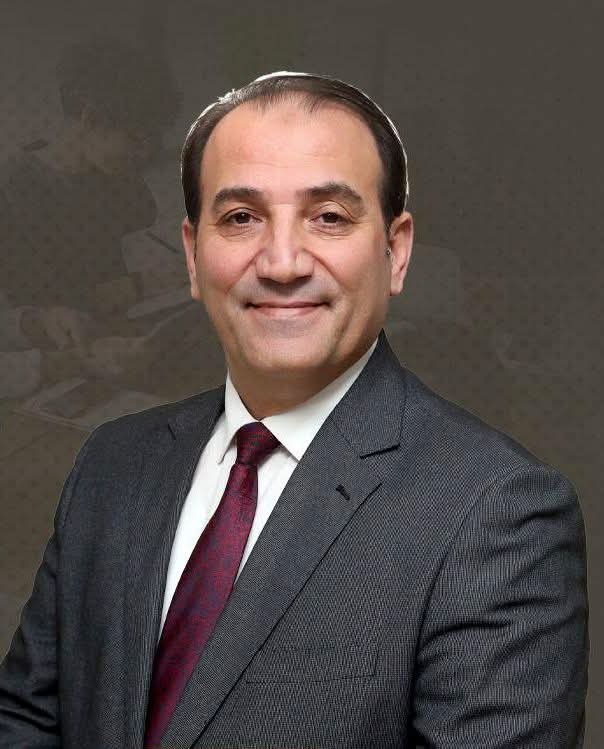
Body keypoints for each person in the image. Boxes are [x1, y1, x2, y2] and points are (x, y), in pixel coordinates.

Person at [0, 71, 588, 748]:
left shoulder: (498, 512)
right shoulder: (112, 461)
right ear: (192, 255)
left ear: (396, 252)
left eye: (329, 217)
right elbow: (27, 721)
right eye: (241, 218)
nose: (282, 263)